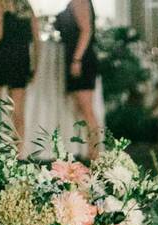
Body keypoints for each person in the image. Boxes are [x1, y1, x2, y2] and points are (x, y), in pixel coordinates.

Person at [0, 0, 39, 155]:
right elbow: (36, 39)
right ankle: (18, 155)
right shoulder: (26, 5)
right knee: (18, 112)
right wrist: (35, 66)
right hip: (21, 59)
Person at [56, 0, 99, 159]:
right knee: (83, 109)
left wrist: (77, 60)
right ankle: (91, 151)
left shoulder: (79, 1)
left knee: (87, 109)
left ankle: (95, 154)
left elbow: (86, 30)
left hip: (82, 60)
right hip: (78, 58)